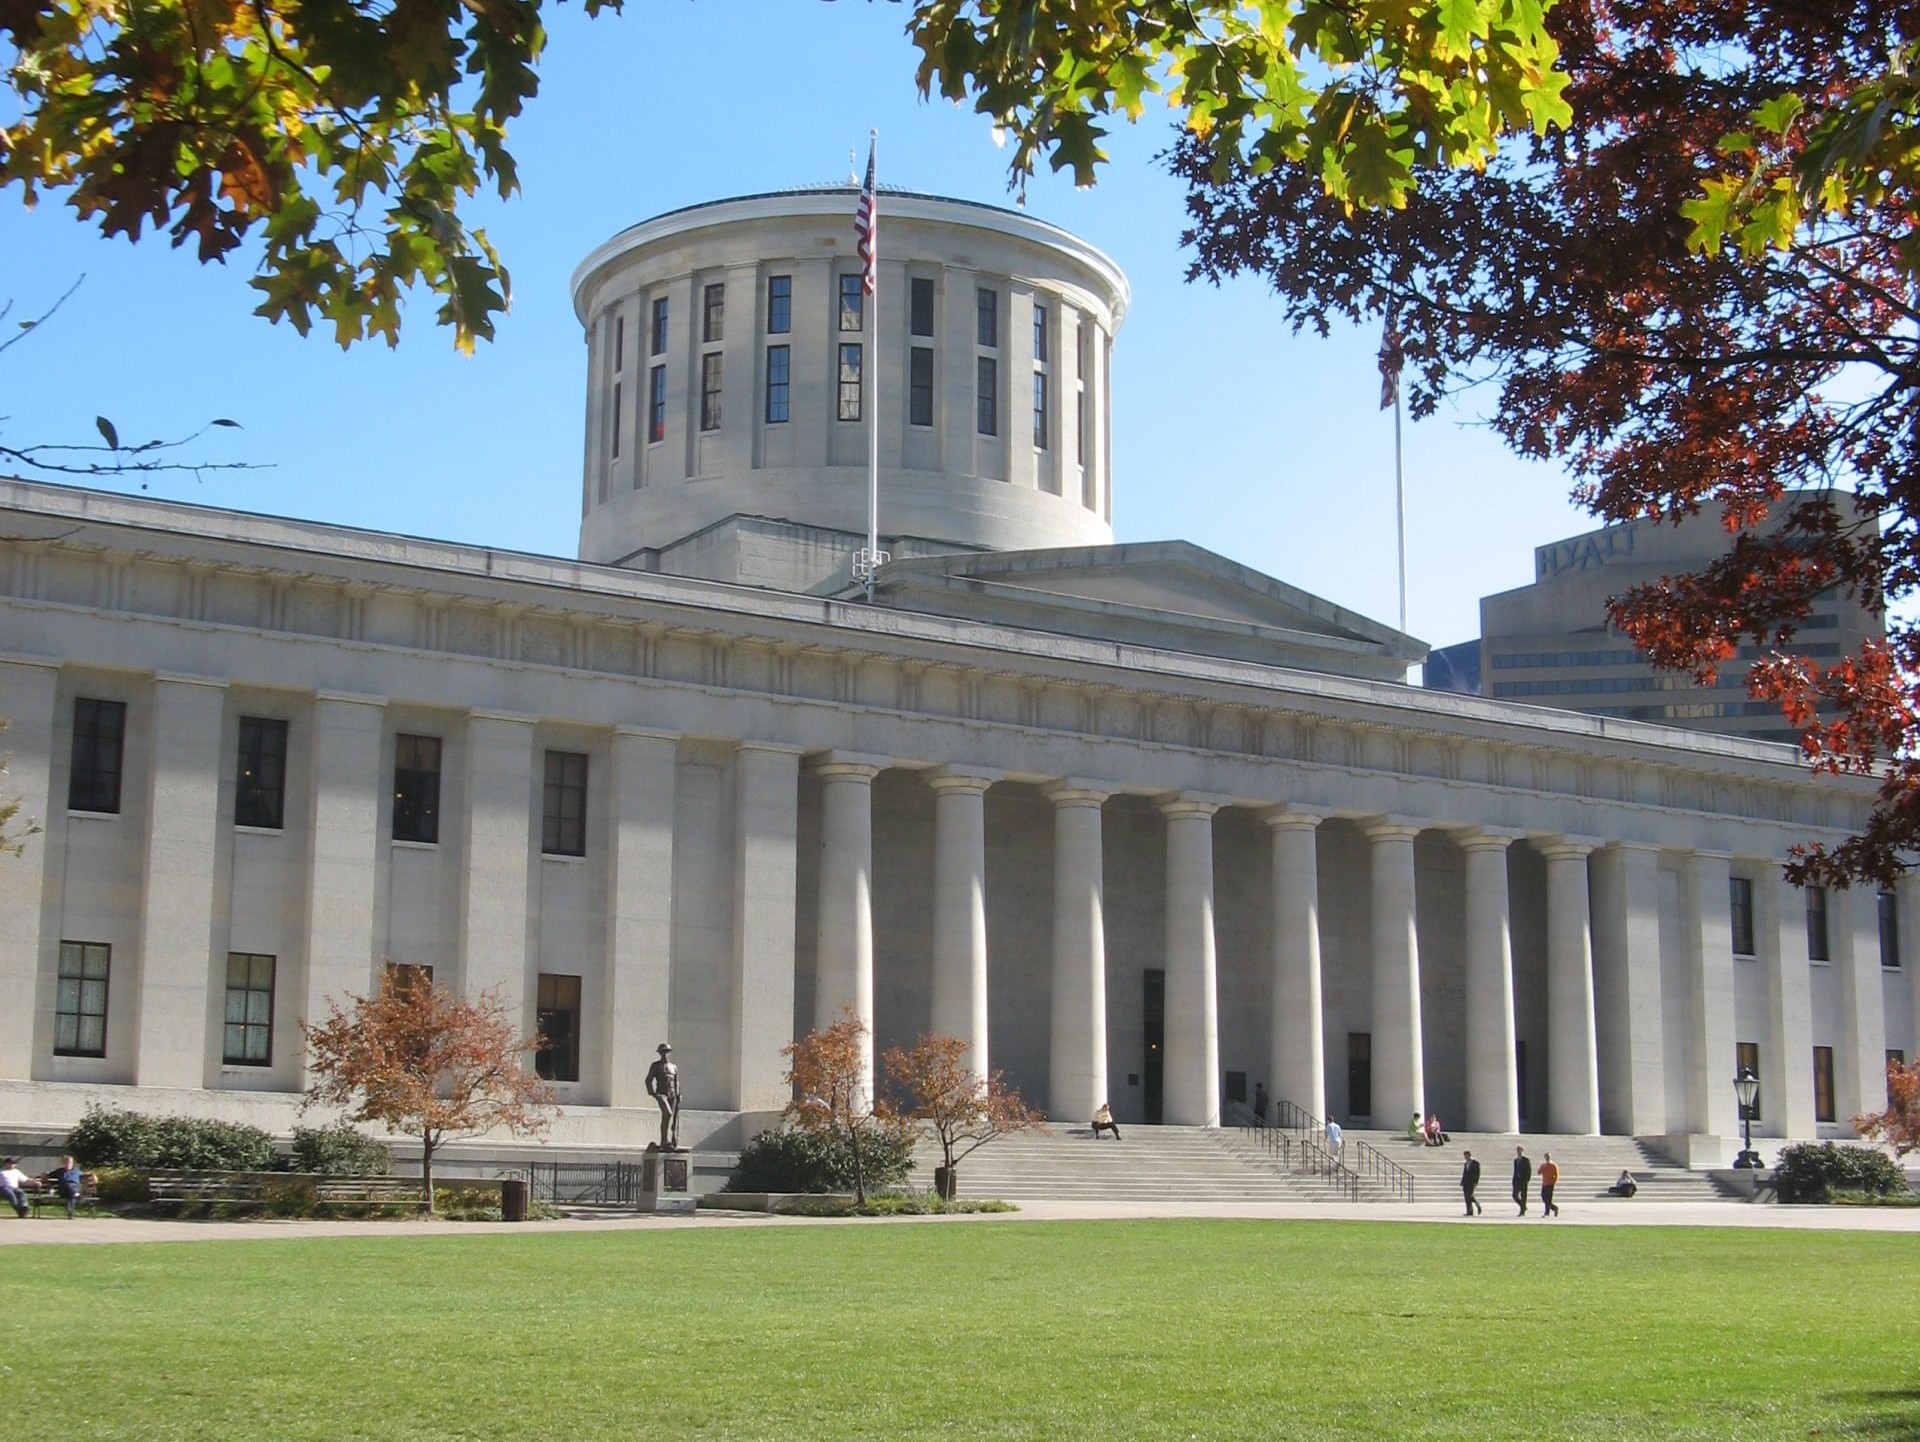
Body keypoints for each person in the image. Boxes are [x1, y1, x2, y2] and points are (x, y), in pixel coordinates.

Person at [644, 1043, 681, 1150]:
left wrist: (679, 1094)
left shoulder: (674, 1067)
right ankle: (665, 1140)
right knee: (667, 1113)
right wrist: (653, 1094)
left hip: (672, 1095)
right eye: (663, 1052)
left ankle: (665, 1141)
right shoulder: (655, 1066)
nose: (665, 1054)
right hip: (662, 1094)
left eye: (667, 1052)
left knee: (668, 1118)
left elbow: (676, 1082)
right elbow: (648, 1080)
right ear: (659, 1053)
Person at [1538, 1152, 1561, 1217]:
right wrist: (1542, 1168)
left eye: (1548, 1156)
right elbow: (1539, 1172)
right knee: (1543, 1197)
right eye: (1546, 1156)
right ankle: (1554, 1208)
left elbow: (1556, 1175)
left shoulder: (1553, 1165)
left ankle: (1546, 1213)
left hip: (1550, 1184)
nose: (1547, 1158)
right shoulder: (1543, 1165)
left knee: (1548, 1199)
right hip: (1544, 1183)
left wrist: (1554, 1182)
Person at [1460, 1149, 1483, 1216]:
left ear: (1469, 1155)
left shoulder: (1475, 1163)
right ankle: (1469, 1211)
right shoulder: (1466, 1163)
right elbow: (1465, 1173)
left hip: (1471, 1182)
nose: (1465, 1158)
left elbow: (1477, 1173)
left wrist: (1475, 1182)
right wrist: (1462, 1182)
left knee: (1469, 1195)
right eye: (1464, 1156)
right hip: (1465, 1182)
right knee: (1467, 1197)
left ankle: (1477, 1204)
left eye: (1466, 1156)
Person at [1512, 1146, 1532, 1216]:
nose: (1518, 1152)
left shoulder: (1526, 1160)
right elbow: (1515, 1171)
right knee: (1514, 1195)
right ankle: (1523, 1206)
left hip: (1523, 1181)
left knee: (1523, 1196)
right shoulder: (1516, 1160)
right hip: (1517, 1180)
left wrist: (1526, 1180)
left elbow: (1529, 1170)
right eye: (1517, 1150)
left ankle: (1522, 1211)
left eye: (1519, 1150)